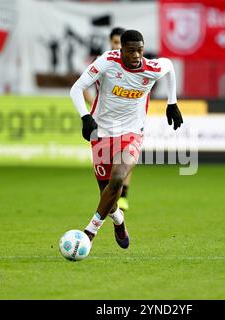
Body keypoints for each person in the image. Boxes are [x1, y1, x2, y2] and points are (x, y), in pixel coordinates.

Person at [70, 29, 183, 249]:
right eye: (131, 51)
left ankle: (89, 233)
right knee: (107, 195)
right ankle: (119, 220)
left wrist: (172, 102)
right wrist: (85, 117)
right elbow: (76, 89)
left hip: (132, 133)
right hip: (101, 132)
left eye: (139, 51)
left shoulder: (151, 68)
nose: (136, 56)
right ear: (121, 50)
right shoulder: (107, 61)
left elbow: (168, 66)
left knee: (119, 177)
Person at [83, 27, 132, 212]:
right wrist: (93, 107)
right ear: (110, 42)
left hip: (127, 121)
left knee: (126, 157)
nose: (118, 46)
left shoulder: (132, 63)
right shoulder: (102, 62)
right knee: (106, 166)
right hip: (103, 122)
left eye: (121, 43)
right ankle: (111, 203)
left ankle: (124, 196)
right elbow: (83, 87)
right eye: (115, 42)